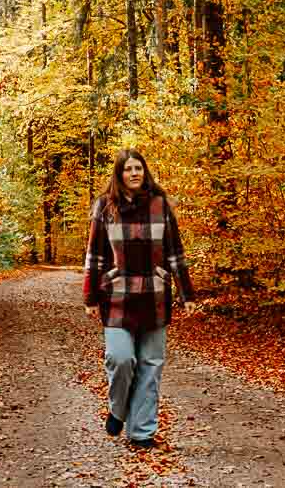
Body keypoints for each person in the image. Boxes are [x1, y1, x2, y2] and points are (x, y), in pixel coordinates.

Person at [82, 148, 195, 449]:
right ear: (119, 174)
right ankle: (118, 409)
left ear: (145, 172)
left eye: (138, 168)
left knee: (150, 364)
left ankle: (142, 432)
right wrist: (90, 296)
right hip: (117, 297)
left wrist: (186, 292)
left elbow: (175, 252)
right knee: (120, 359)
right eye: (128, 169)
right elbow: (94, 255)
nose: (134, 173)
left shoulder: (160, 205)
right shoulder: (105, 206)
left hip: (154, 295)